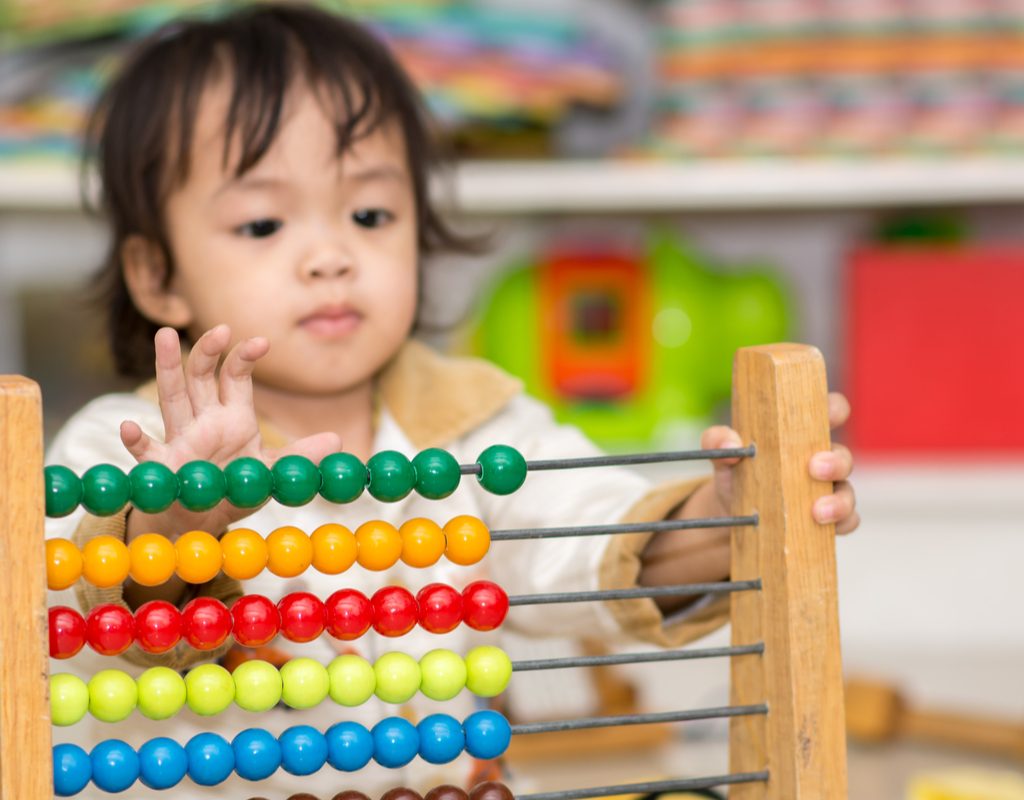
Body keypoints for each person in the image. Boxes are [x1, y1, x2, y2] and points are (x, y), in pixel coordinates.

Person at [46, 4, 858, 798]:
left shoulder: (472, 426)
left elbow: (585, 536)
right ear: (156, 274)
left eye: (370, 213)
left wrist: (725, 520)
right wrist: (175, 524)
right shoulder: (119, 454)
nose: (331, 255)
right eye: (262, 224)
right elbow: (69, 620)